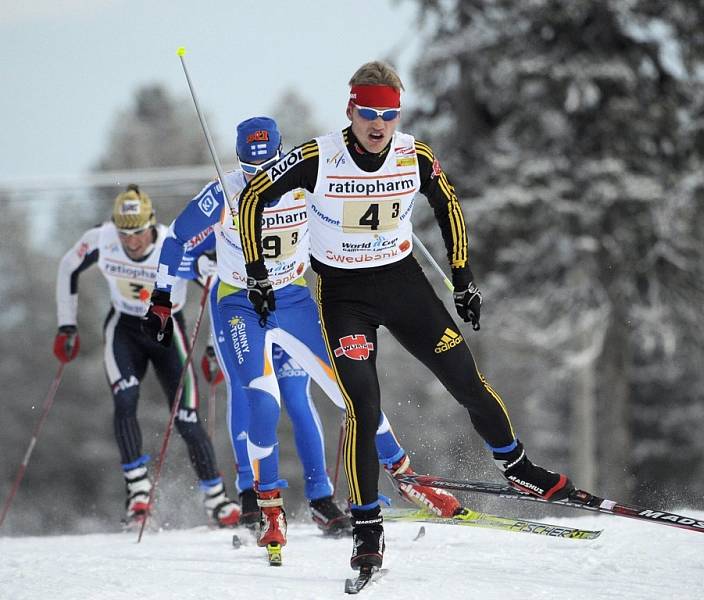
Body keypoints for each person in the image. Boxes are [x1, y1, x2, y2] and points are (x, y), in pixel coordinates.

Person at [236, 62, 576, 571]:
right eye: (369, 113)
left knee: (466, 379)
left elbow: (449, 205)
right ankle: (368, 528)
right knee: (363, 407)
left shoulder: (412, 154)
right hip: (344, 295)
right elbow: (252, 198)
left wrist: (463, 280)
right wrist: (257, 274)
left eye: (389, 115)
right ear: (351, 110)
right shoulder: (317, 156)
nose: (378, 125)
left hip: (403, 285)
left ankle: (517, 466)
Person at [144, 117, 462, 556]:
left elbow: (358, 204)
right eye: (250, 171)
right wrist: (162, 296)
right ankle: (269, 507)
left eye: (267, 168)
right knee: (260, 397)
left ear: (280, 154)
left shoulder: (302, 178)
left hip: (292, 299)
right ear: (239, 162)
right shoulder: (222, 191)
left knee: (351, 389)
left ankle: (407, 478)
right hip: (240, 303)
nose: (260, 181)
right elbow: (177, 240)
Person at [54, 185, 240, 528]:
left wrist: (216, 348)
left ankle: (217, 498)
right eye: (125, 234)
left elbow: (217, 292)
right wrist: (67, 326)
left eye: (138, 232)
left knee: (186, 419)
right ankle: (138, 491)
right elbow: (68, 267)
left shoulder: (174, 246)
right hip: (125, 329)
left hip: (169, 334)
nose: (132, 242)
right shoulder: (101, 239)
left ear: (151, 224)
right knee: (125, 400)